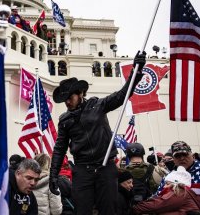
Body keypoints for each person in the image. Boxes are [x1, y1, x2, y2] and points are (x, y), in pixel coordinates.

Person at [49, 52, 146, 214]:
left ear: (80, 93)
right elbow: (59, 149)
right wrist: (53, 175)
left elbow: (122, 95)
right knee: (82, 211)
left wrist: (136, 71)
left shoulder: (98, 105)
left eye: (69, 97)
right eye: (64, 98)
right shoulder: (64, 119)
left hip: (105, 167)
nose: (66, 102)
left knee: (108, 210)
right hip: (82, 170)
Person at [157, 141, 200, 214]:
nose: (182, 158)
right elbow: (157, 198)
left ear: (193, 156)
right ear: (173, 159)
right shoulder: (169, 177)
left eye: (185, 154)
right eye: (178, 156)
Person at [133, 166, 200, 214]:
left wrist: (134, 208)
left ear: (175, 183)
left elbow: (156, 205)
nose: (164, 186)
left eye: (167, 183)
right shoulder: (185, 192)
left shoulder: (179, 193)